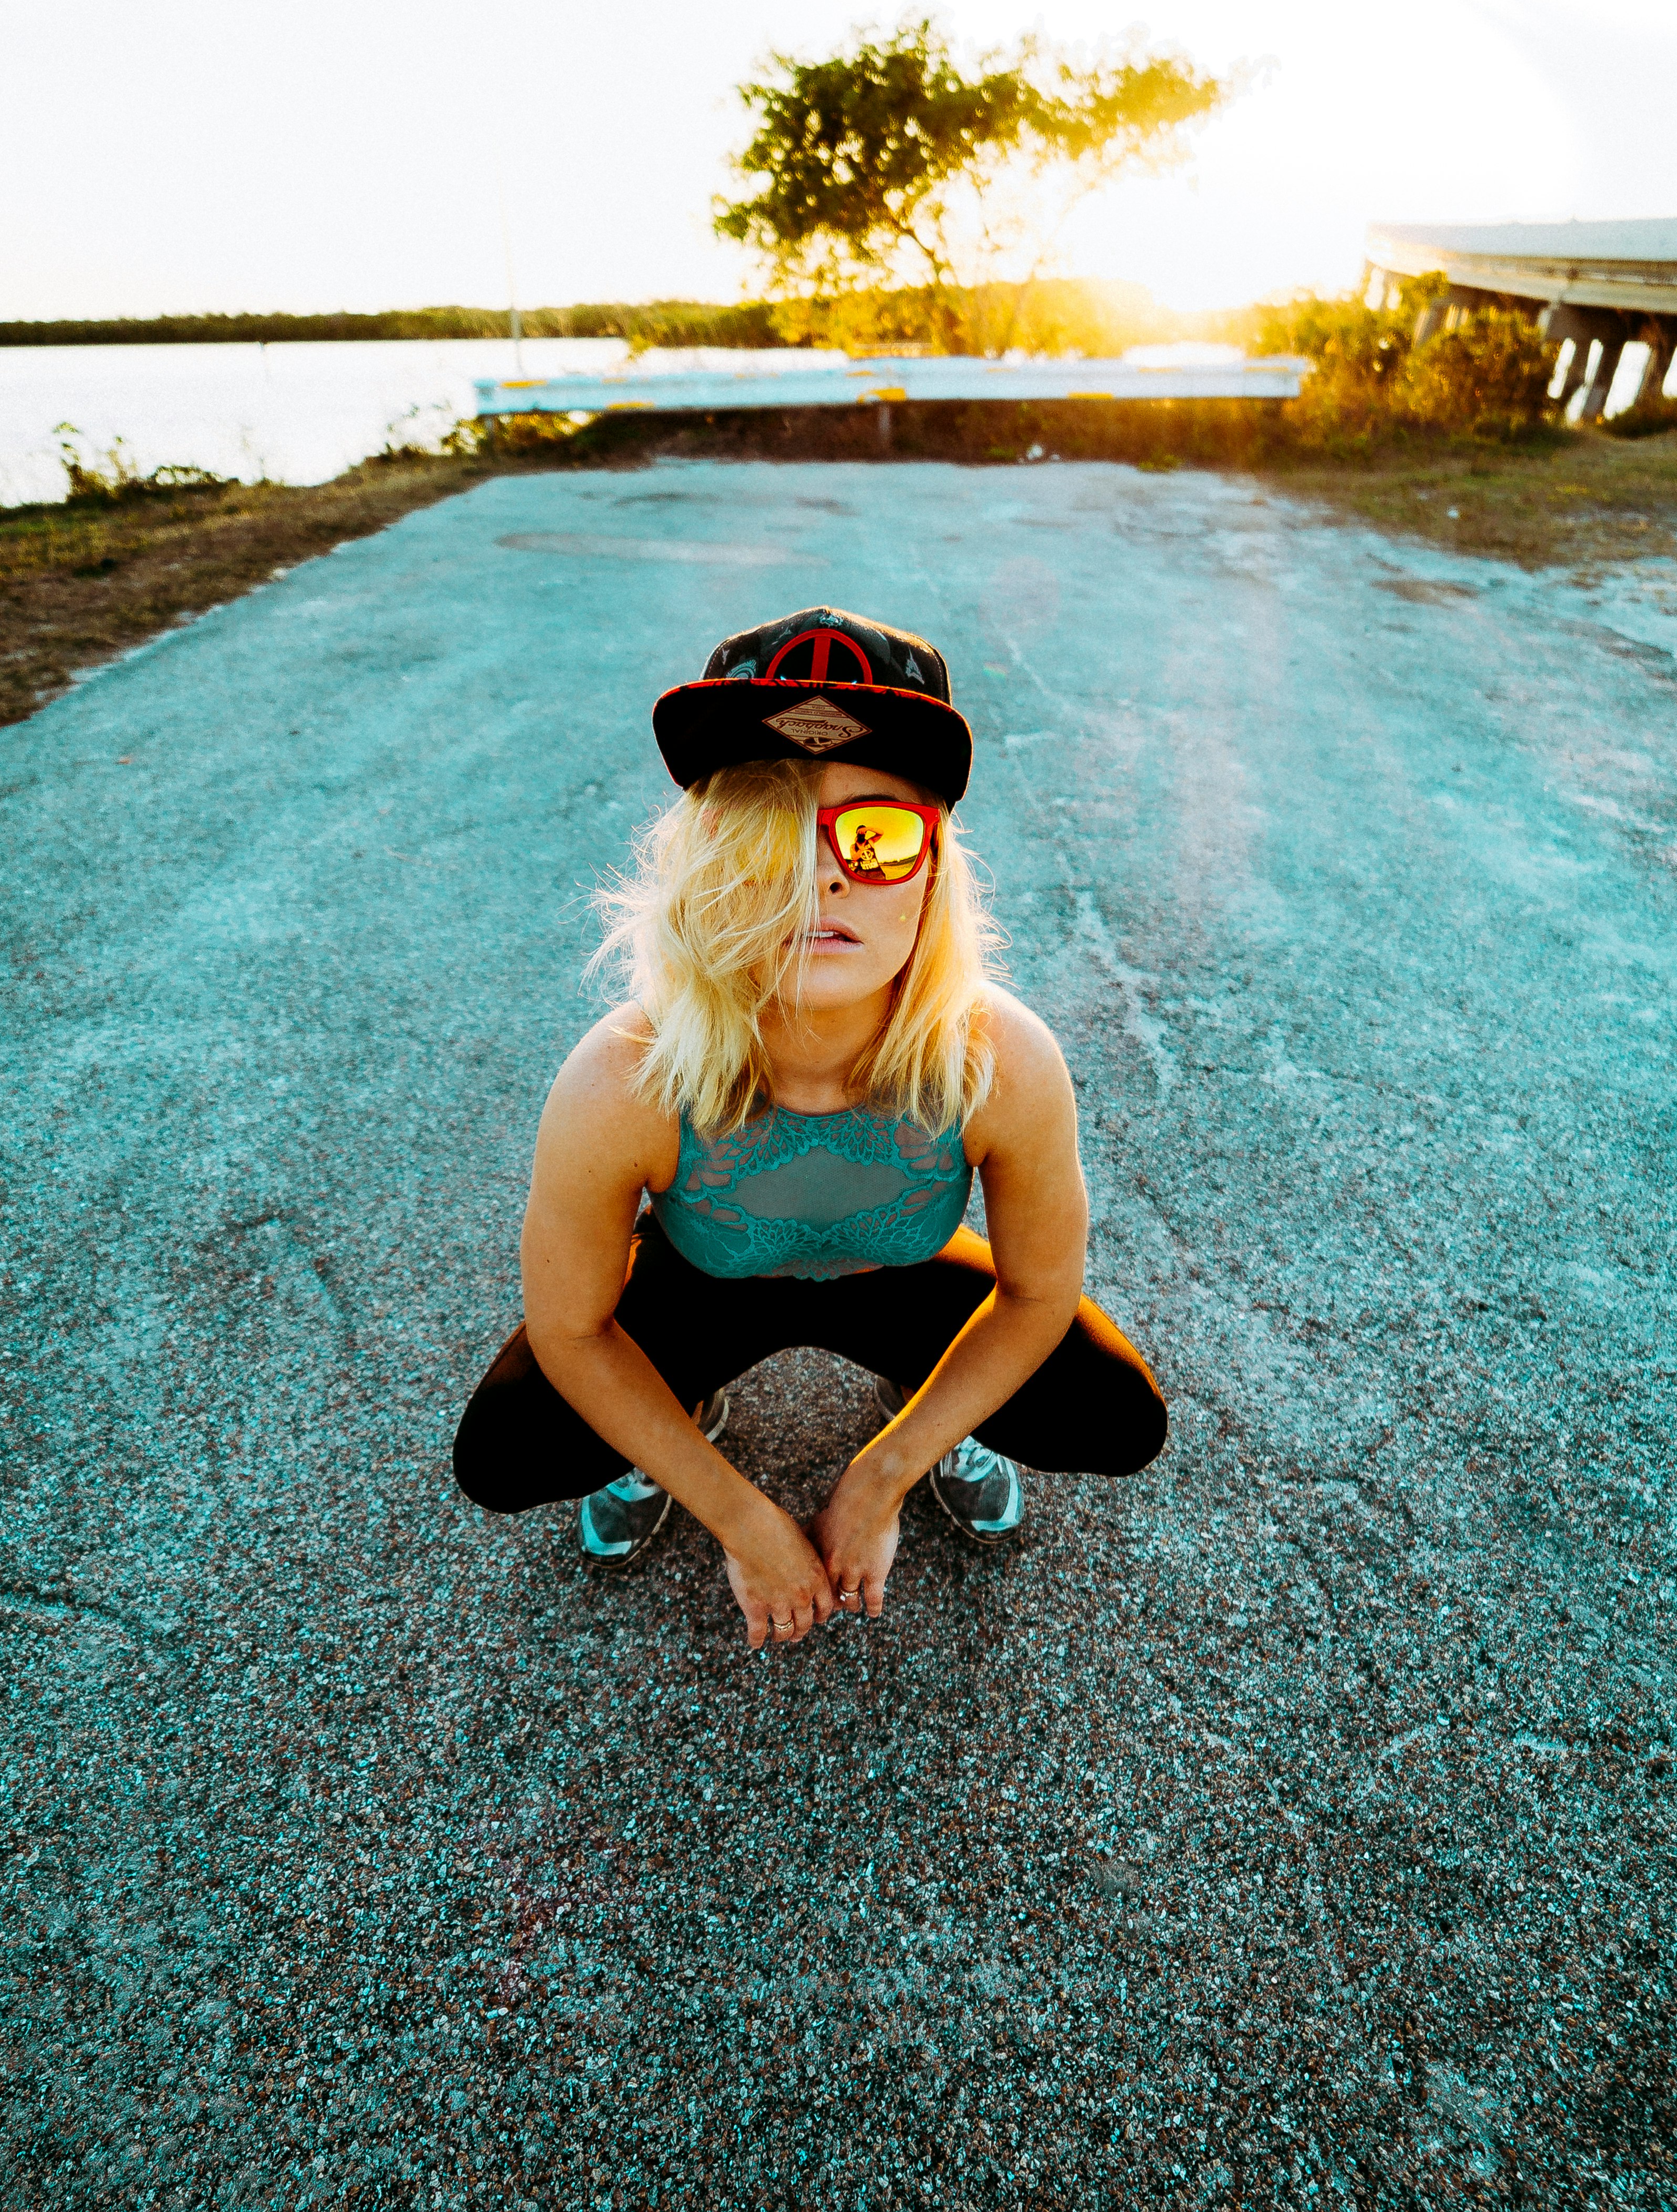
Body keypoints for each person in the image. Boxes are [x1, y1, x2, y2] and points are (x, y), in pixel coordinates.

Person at [453, 604, 1166, 1648]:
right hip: (704, 1285)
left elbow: (1039, 1292)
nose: (817, 874)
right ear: (701, 861)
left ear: (932, 868)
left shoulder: (1001, 1061)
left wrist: (886, 1469)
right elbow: (570, 1327)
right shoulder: (624, 1076)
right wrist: (740, 1515)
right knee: (508, 1450)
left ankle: (924, 1397)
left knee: (1112, 1413)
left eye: (874, 832)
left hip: (898, 1283)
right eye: (764, 832)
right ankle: (677, 1424)